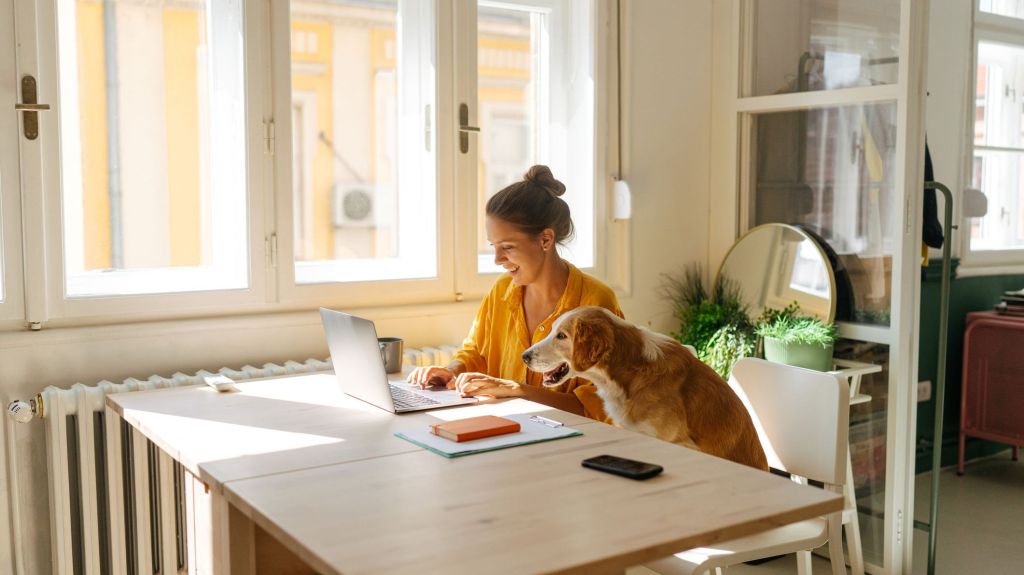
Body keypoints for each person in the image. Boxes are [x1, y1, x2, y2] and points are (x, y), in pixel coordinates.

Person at [407, 165, 623, 421]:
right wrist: (450, 371)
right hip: (505, 430)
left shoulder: (595, 302)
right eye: (493, 246)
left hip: (570, 442)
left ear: (545, 240)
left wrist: (518, 391)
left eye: (507, 247)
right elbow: (476, 352)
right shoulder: (501, 291)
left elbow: (597, 408)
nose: (498, 259)